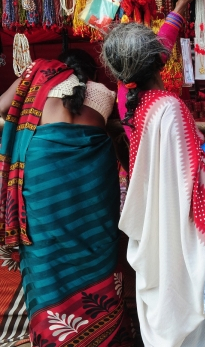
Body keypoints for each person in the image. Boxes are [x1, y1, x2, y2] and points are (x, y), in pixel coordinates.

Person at [101, 12, 205, 345]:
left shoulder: (140, 107)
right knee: (188, 318)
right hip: (176, 235)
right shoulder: (168, 107)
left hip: (158, 228)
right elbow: (197, 177)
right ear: (158, 59)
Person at [0, 49, 135, 346]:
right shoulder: (104, 93)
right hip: (93, 181)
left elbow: (2, 106)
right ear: (92, 73)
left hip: (43, 174)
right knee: (97, 244)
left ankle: (54, 337)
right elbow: (119, 137)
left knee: (46, 253)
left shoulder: (38, 73)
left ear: (61, 63)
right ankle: (103, 335)